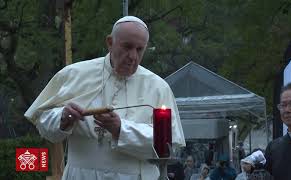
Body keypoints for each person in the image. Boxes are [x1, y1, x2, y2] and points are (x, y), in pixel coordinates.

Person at [24, 16, 186, 180]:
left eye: (139, 49)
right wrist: (62, 118)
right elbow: (43, 122)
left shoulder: (158, 87)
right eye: (127, 47)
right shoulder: (74, 74)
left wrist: (121, 129)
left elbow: (166, 145)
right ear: (110, 42)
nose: (133, 56)